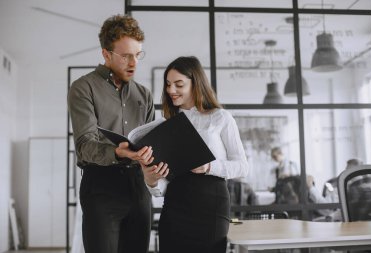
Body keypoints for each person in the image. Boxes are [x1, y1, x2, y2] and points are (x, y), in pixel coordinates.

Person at [139, 56, 249, 253]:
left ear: (195, 83)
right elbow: (162, 185)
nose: (171, 90)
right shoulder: (167, 124)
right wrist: (151, 180)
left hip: (211, 205)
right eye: (168, 84)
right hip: (175, 205)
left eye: (179, 84)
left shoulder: (220, 117)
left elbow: (242, 166)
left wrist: (208, 166)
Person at [68, 14, 155, 253]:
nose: (134, 62)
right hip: (101, 188)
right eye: (126, 55)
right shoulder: (83, 88)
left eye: (138, 55)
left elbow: (151, 142)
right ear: (106, 54)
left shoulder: (144, 95)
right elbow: (85, 145)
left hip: (139, 189)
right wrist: (118, 152)